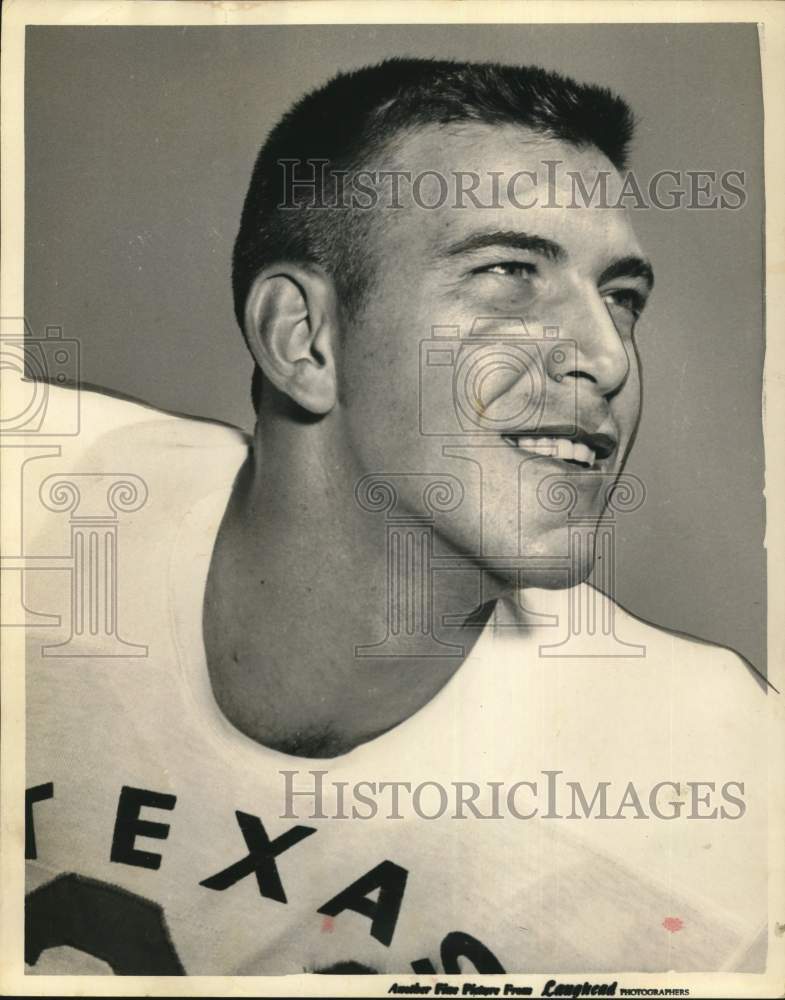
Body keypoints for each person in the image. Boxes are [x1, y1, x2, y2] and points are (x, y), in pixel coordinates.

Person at [23, 58, 768, 976]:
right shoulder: (30, 507)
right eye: (508, 272)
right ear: (303, 340)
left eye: (621, 298)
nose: (608, 356)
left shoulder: (721, 787)